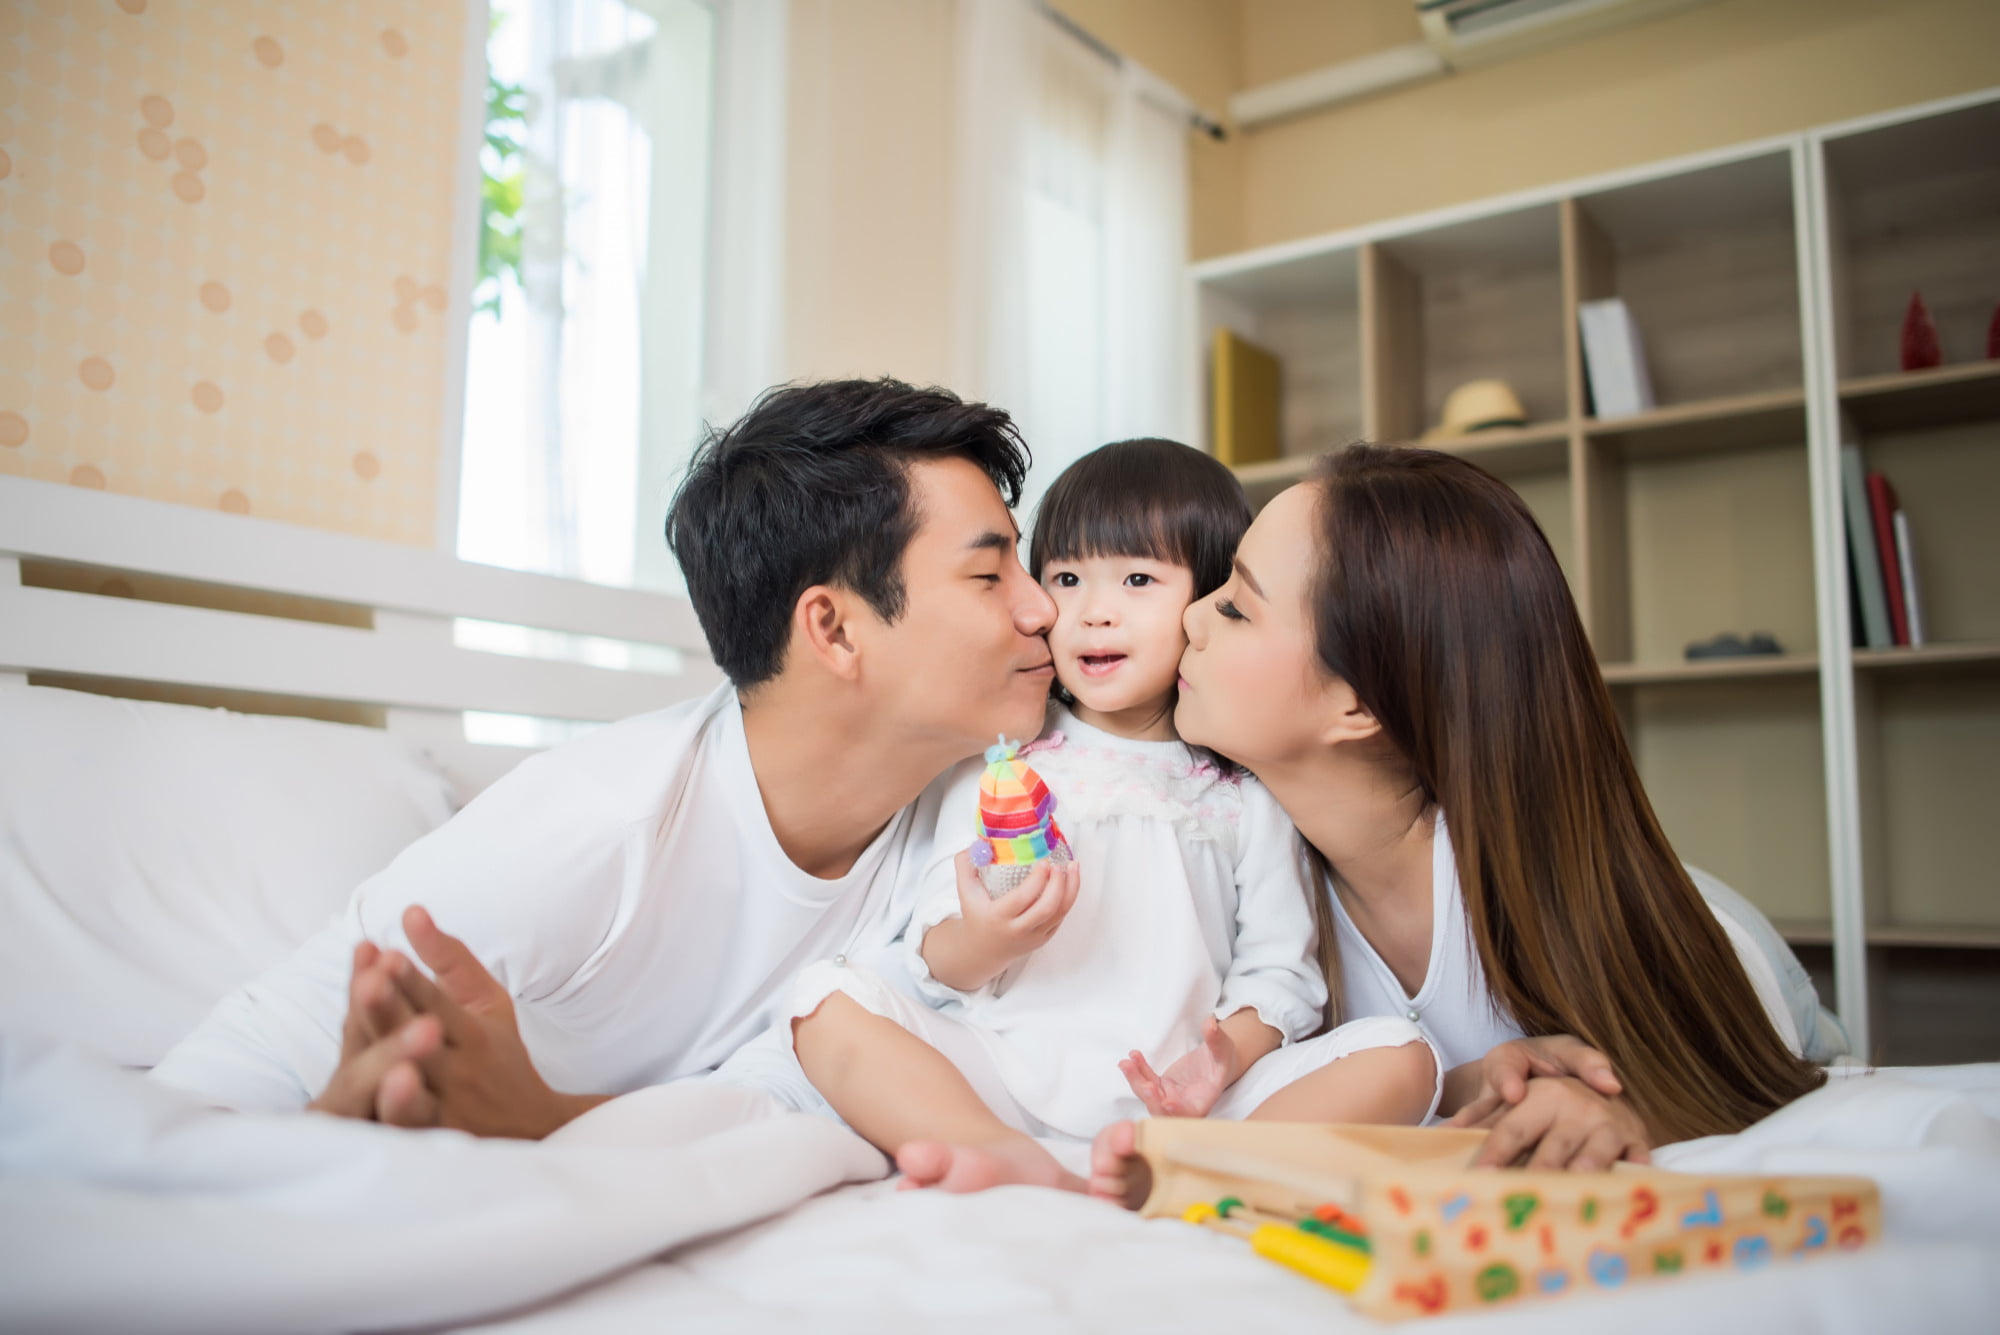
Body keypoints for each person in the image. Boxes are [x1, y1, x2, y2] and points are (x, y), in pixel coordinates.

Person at [149, 378, 1061, 1138]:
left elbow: (794, 1091)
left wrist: (554, 1120)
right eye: (990, 575)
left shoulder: (972, 822)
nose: (1043, 609)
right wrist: (328, 1135)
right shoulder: (596, 824)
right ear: (831, 626)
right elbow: (210, 1089)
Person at [1092, 443, 1832, 1191]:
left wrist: (1630, 1108)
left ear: (1361, 704)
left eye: (1236, 606)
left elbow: (1737, 1082)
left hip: (1745, 971)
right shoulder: (1253, 889)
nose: (1189, 615)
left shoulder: (1549, 897)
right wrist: (1469, 1081)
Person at [782, 439, 1439, 1194]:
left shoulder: (1241, 796)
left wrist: (1222, 1059)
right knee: (823, 1001)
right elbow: (933, 957)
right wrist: (983, 938)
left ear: (1206, 604)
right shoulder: (1001, 763)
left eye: (1136, 579)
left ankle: (1193, 1173)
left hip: (1187, 1108)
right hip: (1007, 1083)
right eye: (1065, 577)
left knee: (1403, 1053)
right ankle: (993, 1150)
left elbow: (1282, 972)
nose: (1093, 612)